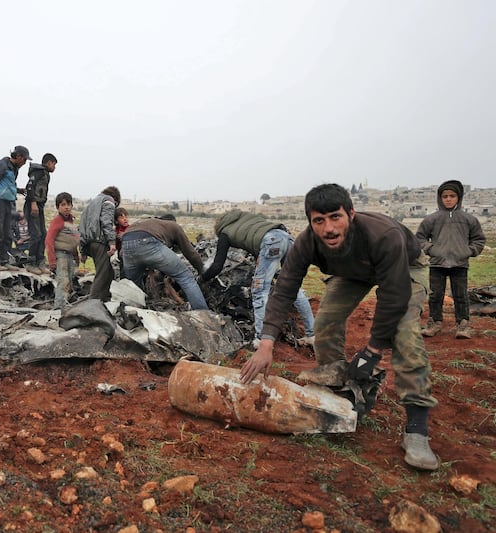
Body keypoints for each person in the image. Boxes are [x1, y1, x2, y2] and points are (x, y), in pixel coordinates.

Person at [240, 184, 439, 471]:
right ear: (310, 222)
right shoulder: (307, 242)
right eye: (319, 221)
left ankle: (417, 431)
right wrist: (267, 343)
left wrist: (371, 352)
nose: (328, 228)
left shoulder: (384, 236)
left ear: (351, 214)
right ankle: (341, 395)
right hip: (351, 272)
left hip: (404, 267)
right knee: (326, 323)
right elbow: (284, 289)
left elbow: (393, 297)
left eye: (336, 217)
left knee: (404, 336)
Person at [200, 210, 315, 347]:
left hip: (272, 242)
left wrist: (201, 279)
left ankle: (261, 339)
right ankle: (311, 334)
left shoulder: (225, 232)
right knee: (294, 288)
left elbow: (217, 266)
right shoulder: (249, 220)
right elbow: (258, 241)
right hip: (287, 238)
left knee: (259, 290)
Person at [416, 180, 486, 339]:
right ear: (440, 198)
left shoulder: (468, 219)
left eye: (452, 196)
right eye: (445, 196)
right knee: (435, 296)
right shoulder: (431, 219)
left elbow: (479, 240)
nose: (448, 199)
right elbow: (419, 239)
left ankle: (463, 325)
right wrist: (431, 250)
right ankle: (435, 323)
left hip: (460, 264)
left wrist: (468, 251)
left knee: (461, 295)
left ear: (458, 197)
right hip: (437, 264)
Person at [120, 215, 208, 310]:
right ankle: (203, 312)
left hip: (126, 245)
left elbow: (121, 254)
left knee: (133, 285)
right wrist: (201, 270)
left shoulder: (149, 223)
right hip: (149, 242)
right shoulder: (174, 226)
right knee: (185, 277)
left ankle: (132, 313)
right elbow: (190, 253)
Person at [0, 146, 31, 265]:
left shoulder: (14, 169)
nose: (24, 163)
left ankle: (4, 260)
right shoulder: (2, 165)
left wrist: (18, 190)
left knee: (8, 234)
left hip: (9, 203)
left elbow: (7, 184)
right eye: (24, 160)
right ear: (18, 156)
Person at [79, 186, 121, 301]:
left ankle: (103, 300)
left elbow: (81, 227)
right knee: (102, 275)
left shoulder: (91, 205)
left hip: (88, 243)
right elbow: (106, 222)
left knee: (108, 272)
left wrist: (82, 250)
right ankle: (93, 304)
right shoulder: (109, 201)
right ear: (116, 199)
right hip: (99, 241)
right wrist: (112, 242)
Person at [45, 192, 81, 309]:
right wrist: (52, 261)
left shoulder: (70, 221)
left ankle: (65, 307)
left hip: (70, 256)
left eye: (69, 204)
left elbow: (72, 240)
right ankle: (58, 309)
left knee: (69, 282)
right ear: (58, 207)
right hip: (61, 256)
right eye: (63, 205)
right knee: (63, 283)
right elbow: (49, 240)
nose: (66, 207)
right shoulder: (57, 221)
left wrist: (76, 256)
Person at [23, 153, 57, 270]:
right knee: (35, 234)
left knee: (43, 234)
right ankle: (31, 262)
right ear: (48, 162)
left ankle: (40, 261)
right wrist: (33, 203)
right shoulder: (38, 171)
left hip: (40, 206)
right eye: (54, 164)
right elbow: (30, 187)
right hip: (33, 205)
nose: (55, 167)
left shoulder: (46, 174)